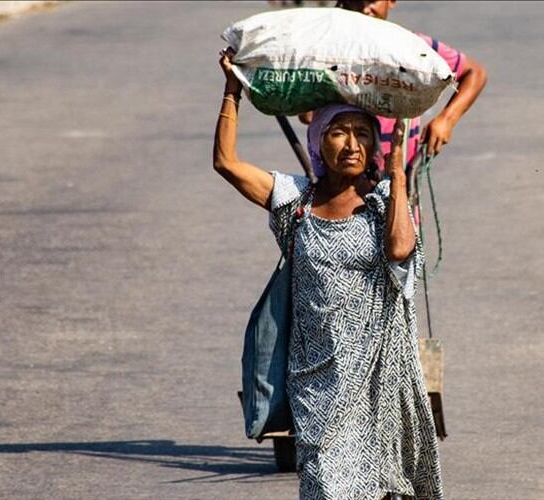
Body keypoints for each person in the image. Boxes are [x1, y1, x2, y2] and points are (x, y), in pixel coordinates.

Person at [215, 49, 443, 500]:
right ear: (319, 142)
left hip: (380, 381)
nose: (352, 144)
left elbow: (400, 249)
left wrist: (396, 171)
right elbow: (227, 163)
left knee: (380, 487)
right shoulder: (296, 200)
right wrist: (233, 89)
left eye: (363, 134)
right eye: (339, 132)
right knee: (326, 483)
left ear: (374, 147)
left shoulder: (383, 204)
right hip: (315, 383)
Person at [300, 0, 488, 170]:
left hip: (397, 169)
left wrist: (446, 120)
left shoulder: (412, 46)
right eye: (356, 1)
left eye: (372, 1)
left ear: (391, 1)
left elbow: (474, 73)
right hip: (338, 172)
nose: (365, 9)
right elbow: (306, 115)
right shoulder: (326, 50)